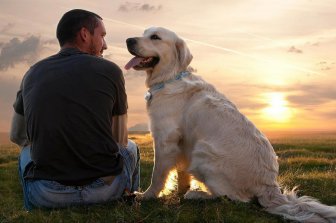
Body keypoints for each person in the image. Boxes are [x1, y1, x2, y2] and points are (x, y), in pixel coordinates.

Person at [9, 9, 140, 211]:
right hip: (104, 191)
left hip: (47, 196)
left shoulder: (32, 73)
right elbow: (119, 140)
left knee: (26, 151)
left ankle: (33, 210)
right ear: (84, 34)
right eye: (102, 36)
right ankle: (128, 200)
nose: (105, 45)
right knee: (131, 147)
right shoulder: (111, 70)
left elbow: (17, 135)